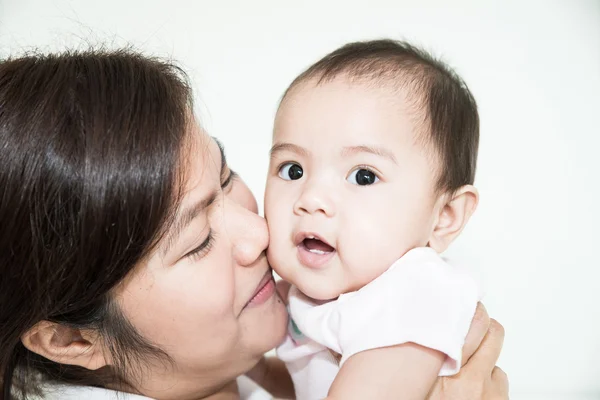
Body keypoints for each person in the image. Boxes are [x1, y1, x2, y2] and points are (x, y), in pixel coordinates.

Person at [0, 49, 507, 399]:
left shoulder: (412, 290)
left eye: (227, 179)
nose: (258, 231)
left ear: (445, 216)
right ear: (72, 340)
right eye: (196, 241)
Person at [265, 39, 487, 399]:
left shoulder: (415, 291)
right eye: (293, 170)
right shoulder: (302, 295)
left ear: (444, 217)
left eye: (363, 176)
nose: (311, 199)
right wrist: (256, 369)